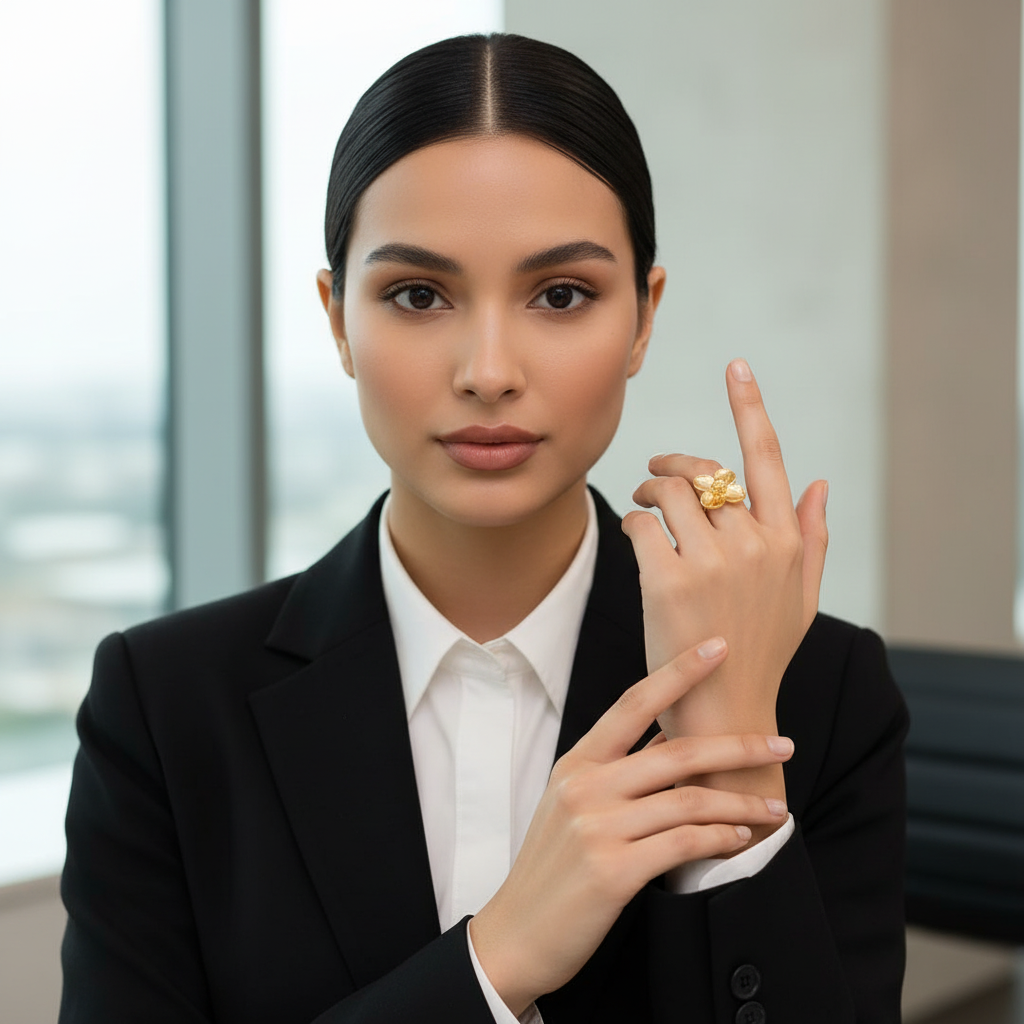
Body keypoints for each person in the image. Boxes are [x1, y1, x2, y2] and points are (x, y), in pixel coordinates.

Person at [58, 32, 908, 1024]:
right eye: (417, 295)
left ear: (642, 316)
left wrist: (726, 780)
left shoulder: (820, 693)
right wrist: (495, 961)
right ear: (337, 320)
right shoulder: (164, 706)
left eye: (561, 294)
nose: (489, 369)